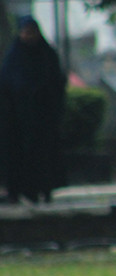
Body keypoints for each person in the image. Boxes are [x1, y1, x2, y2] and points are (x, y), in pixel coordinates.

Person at [0, 16, 67, 204]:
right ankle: (18, 191)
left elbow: (56, 84)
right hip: (17, 122)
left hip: (42, 120)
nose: (28, 36)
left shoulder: (47, 56)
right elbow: (7, 85)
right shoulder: (14, 58)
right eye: (25, 32)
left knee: (42, 157)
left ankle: (43, 189)